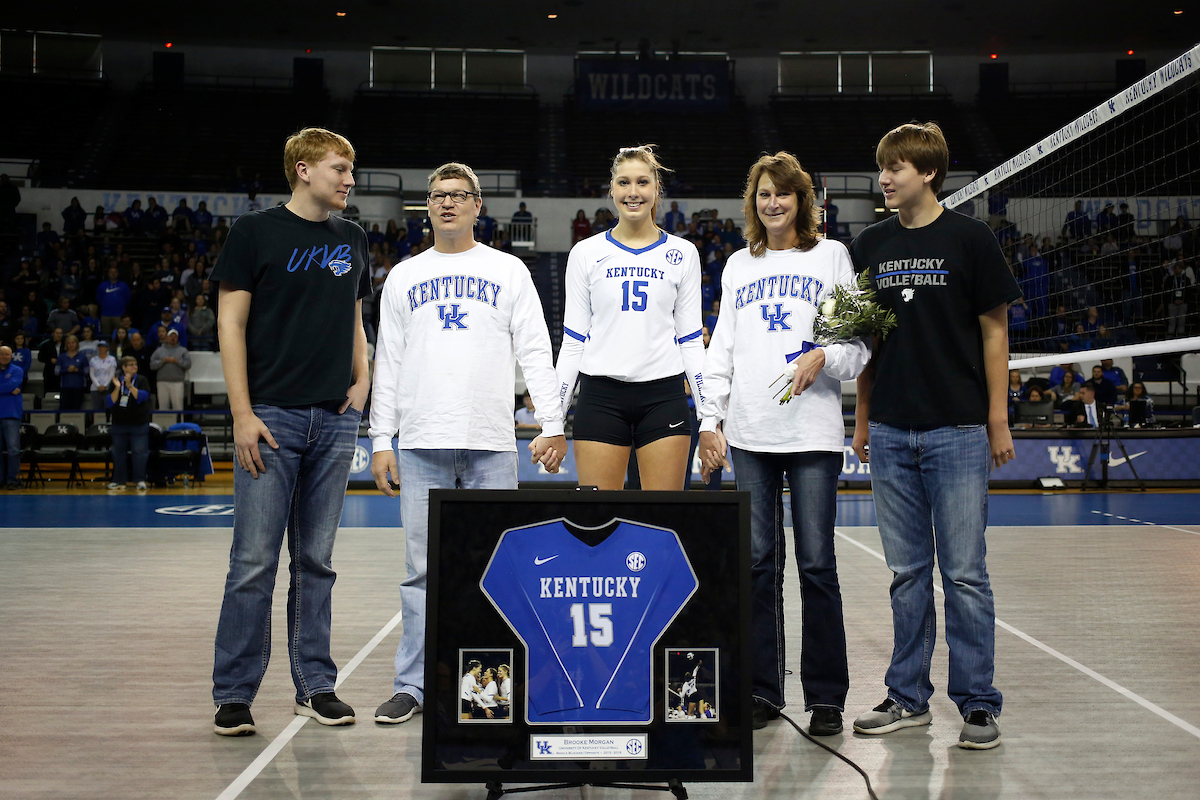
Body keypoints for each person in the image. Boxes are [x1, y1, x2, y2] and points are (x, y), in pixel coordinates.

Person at [368, 162, 566, 725]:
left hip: (490, 442)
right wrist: (382, 438)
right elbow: (390, 364)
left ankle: (493, 685)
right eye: (437, 196)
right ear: (427, 206)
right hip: (423, 441)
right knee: (420, 571)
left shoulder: (508, 270)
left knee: (496, 566)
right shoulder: (404, 277)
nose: (448, 203)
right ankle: (415, 684)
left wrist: (551, 422)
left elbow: (535, 350)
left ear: (479, 206)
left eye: (459, 195)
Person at [849, 122, 1019, 750]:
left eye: (895, 167)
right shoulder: (870, 244)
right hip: (892, 430)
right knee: (906, 574)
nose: (885, 178)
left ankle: (977, 703)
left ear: (927, 173)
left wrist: (997, 419)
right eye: (882, 167)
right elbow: (863, 343)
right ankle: (907, 697)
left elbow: (996, 333)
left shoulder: (972, 239)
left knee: (966, 573)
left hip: (957, 429)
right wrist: (863, 419)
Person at [698, 152, 868, 736]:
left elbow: (855, 349)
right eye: (763, 195)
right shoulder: (738, 265)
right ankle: (761, 692)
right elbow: (719, 350)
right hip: (749, 435)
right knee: (757, 566)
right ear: (754, 203)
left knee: (818, 565)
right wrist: (709, 421)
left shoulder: (832, 257)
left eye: (783, 195)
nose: (773, 204)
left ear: (802, 201)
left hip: (813, 435)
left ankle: (826, 698)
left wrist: (824, 355)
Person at [210, 127, 370, 737]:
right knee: (253, 561)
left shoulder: (351, 237)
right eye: (339, 168)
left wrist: (363, 380)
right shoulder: (254, 232)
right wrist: (242, 414)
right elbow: (232, 325)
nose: (349, 179)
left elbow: (355, 316)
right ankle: (233, 693)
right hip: (271, 417)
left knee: (316, 562)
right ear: (303, 169)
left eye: (351, 169)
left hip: (334, 419)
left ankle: (315, 687)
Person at [554, 145, 705, 491]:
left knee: (662, 521)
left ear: (656, 190)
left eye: (642, 182)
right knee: (598, 520)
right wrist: (552, 419)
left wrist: (709, 416)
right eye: (624, 183)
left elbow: (691, 342)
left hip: (663, 395)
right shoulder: (586, 253)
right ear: (611, 189)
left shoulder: (683, 253)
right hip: (600, 395)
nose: (633, 192)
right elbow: (573, 343)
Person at [106, 356, 151, 490]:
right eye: (130, 365)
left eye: (135, 364)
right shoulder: (115, 381)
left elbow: (142, 396)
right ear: (124, 368)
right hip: (119, 423)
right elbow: (110, 401)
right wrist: (117, 388)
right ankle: (118, 480)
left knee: (140, 452)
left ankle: (140, 480)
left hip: (139, 423)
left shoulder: (141, 380)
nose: (134, 367)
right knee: (118, 452)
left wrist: (130, 385)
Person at [150, 328, 191, 411]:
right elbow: (152, 365)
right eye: (171, 336)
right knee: (163, 407)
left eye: (175, 337)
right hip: (162, 382)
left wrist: (177, 361)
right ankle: (164, 424)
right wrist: (162, 361)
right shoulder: (159, 351)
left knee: (178, 406)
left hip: (177, 382)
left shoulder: (183, 351)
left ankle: (180, 423)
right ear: (167, 338)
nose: (173, 338)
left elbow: (188, 364)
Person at [0, 345, 22, 490]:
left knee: (13, 449)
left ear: (11, 356)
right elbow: (8, 387)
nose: (4, 356)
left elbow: (13, 384)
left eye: (7, 354)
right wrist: (8, 389)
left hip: (11, 414)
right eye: (1, 354)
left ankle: (12, 479)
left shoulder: (17, 370)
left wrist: (6, 388)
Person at [55, 334, 89, 410]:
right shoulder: (61, 356)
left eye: (73, 342)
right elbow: (56, 371)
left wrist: (77, 370)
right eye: (69, 343)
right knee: (64, 408)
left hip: (79, 386)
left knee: (77, 408)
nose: (71, 345)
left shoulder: (82, 356)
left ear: (77, 344)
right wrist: (67, 370)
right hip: (65, 386)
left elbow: (87, 371)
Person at [89, 341, 117, 413]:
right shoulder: (93, 360)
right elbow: (92, 374)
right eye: (100, 347)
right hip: (95, 387)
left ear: (107, 348)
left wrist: (104, 385)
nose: (101, 348)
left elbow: (111, 373)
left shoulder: (112, 359)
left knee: (108, 408)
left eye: (103, 347)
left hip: (107, 387)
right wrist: (98, 385)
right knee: (96, 409)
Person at [39, 327, 64, 392]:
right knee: (49, 390)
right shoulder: (46, 345)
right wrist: (49, 360)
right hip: (49, 371)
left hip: (63, 370)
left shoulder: (65, 344)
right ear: (53, 334)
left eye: (61, 333)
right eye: (57, 333)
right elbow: (40, 357)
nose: (59, 335)